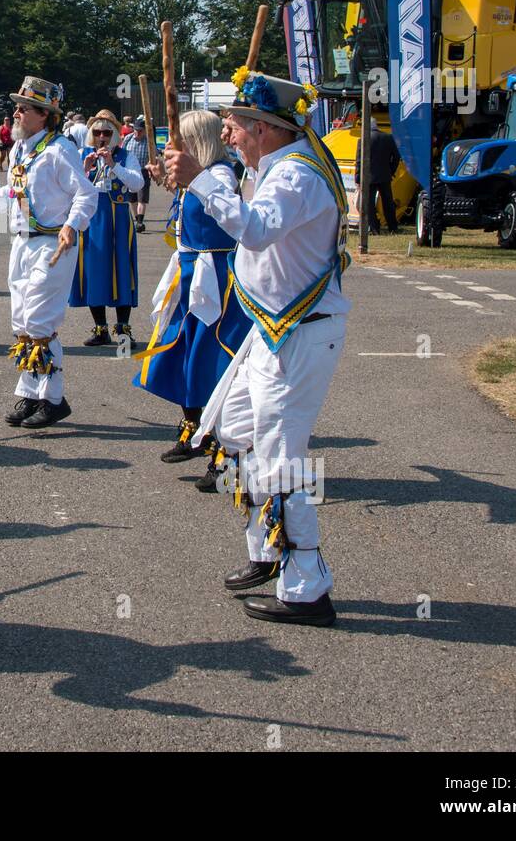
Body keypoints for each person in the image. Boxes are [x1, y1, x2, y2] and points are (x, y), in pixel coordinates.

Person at [163, 70, 349, 628]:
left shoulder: (294, 176)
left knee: (281, 457)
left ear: (265, 128)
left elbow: (256, 229)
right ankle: (268, 550)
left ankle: (308, 586)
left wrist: (200, 180)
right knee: (238, 428)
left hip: (298, 333)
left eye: (235, 125)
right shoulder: (276, 166)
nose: (228, 134)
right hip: (273, 330)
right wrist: (196, 182)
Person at [0, 77, 96, 429]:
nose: (16, 113)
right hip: (22, 242)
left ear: (45, 115)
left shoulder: (60, 150)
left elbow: (86, 194)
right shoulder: (23, 150)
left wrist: (73, 225)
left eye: (23, 109)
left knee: (41, 321)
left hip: (52, 243)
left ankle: (54, 399)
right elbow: (13, 190)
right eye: (18, 107)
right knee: (22, 322)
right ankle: (30, 392)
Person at [134, 110, 251, 484]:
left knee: (211, 360)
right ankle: (194, 429)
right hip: (189, 273)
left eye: (182, 140)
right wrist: (166, 178)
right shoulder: (201, 176)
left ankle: (222, 451)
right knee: (183, 351)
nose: (174, 147)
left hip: (215, 279)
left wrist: (187, 179)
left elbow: (219, 206)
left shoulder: (220, 175)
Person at [70, 109, 144, 345]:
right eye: (98, 132)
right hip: (91, 218)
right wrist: (85, 169)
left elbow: (137, 184)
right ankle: (100, 328)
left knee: (121, 269)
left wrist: (113, 165)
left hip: (118, 219)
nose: (102, 136)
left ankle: (123, 329)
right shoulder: (83, 153)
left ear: (114, 135)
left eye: (106, 132)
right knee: (93, 271)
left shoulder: (125, 155)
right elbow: (70, 186)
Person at [359, 119, 400, 234]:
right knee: (388, 202)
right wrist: (391, 171)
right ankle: (393, 227)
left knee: (369, 204)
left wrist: (358, 178)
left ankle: (374, 228)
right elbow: (396, 157)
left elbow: (359, 161)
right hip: (385, 175)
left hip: (369, 177)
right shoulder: (388, 138)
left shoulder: (363, 140)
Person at [121, 116, 152, 232]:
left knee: (142, 198)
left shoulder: (149, 142)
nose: (137, 133)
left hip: (143, 171)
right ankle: (137, 219)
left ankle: (140, 222)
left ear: (144, 130)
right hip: (129, 171)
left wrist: (151, 169)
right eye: (136, 130)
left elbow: (153, 157)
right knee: (132, 199)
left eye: (140, 131)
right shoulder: (128, 138)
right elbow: (122, 152)